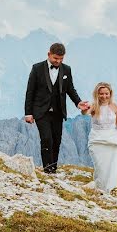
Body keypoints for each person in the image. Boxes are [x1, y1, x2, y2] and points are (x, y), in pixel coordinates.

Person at [24, 43, 90, 173]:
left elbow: (70, 89)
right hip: (41, 111)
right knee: (46, 139)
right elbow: (30, 91)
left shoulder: (66, 69)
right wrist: (28, 113)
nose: (58, 61)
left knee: (57, 140)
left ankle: (53, 168)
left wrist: (78, 103)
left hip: (58, 111)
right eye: (55, 58)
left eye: (61, 59)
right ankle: (47, 169)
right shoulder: (37, 68)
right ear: (49, 54)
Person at [82, 82, 117, 194]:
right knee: (100, 166)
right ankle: (99, 188)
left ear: (110, 94)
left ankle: (108, 190)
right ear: (97, 94)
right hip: (97, 139)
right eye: (101, 94)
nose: (104, 96)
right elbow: (85, 112)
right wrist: (84, 109)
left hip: (112, 139)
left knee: (111, 165)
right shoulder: (94, 106)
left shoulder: (114, 106)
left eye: (106, 94)